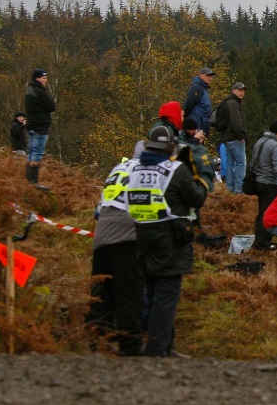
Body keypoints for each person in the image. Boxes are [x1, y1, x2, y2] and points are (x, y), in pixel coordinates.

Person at [127, 123, 207, 358]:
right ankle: (157, 349)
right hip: (171, 236)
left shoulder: (134, 168)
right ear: (170, 147)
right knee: (166, 295)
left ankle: (164, 345)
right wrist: (200, 177)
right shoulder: (176, 170)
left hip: (141, 234)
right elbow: (197, 198)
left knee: (151, 291)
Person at [85, 157, 144, 356]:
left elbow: (97, 211)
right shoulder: (151, 169)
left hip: (103, 234)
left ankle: (97, 341)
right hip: (127, 235)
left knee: (101, 291)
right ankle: (130, 344)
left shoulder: (118, 168)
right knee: (129, 291)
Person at [249, 120, 277, 251]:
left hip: (259, 181)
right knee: (268, 214)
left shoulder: (260, 141)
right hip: (270, 183)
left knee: (261, 213)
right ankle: (263, 243)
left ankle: (259, 239)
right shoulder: (276, 146)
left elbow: (253, 161)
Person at [213, 81, 248, 193]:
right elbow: (235, 122)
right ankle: (238, 190)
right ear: (233, 91)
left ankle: (230, 189)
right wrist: (241, 136)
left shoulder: (228, 102)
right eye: (239, 90)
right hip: (234, 137)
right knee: (240, 163)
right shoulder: (233, 103)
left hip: (227, 138)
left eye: (243, 91)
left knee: (230, 163)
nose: (242, 93)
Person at [23, 68, 56, 186]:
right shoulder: (39, 91)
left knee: (31, 152)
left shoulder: (29, 90)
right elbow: (51, 106)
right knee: (37, 153)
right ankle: (33, 181)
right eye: (44, 78)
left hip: (32, 125)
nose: (46, 81)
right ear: (37, 78)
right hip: (39, 126)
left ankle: (29, 179)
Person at [182, 67, 216, 136]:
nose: (210, 78)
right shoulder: (197, 87)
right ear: (201, 75)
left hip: (202, 123)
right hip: (196, 124)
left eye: (211, 76)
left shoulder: (203, 88)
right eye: (208, 75)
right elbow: (189, 104)